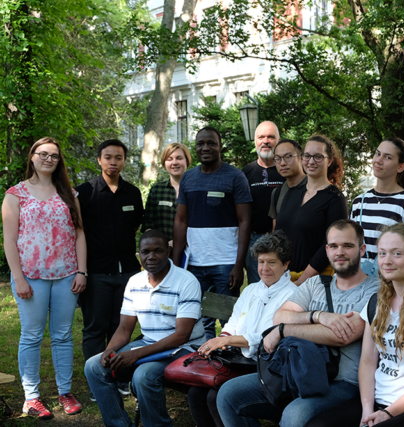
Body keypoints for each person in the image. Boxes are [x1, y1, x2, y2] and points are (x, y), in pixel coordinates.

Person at [216, 219, 379, 427]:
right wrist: (318, 316)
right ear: (327, 250)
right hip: (299, 371)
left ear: (362, 249)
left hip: (342, 382)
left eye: (348, 246)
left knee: (295, 415)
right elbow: (280, 316)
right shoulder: (315, 283)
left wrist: (283, 331)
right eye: (334, 246)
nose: (340, 252)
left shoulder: (374, 289)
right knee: (228, 395)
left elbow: (343, 335)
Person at [307, 222, 404, 427]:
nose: (387, 261)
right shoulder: (377, 303)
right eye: (382, 253)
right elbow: (368, 361)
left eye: (397, 253)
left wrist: (388, 413)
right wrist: (367, 410)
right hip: (378, 402)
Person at [2, 137, 87, 419]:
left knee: (63, 335)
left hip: (66, 276)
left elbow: (79, 234)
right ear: (32, 157)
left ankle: (65, 392)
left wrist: (81, 270)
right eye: (43, 154)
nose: (49, 159)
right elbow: (9, 240)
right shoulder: (15, 194)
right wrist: (19, 278)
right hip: (31, 276)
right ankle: (32, 398)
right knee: (32, 335)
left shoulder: (69, 194)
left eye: (54, 156)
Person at [84, 229, 206, 427]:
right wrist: (110, 350)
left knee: (143, 376)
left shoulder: (186, 281)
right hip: (149, 344)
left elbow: (181, 335)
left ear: (168, 251)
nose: (151, 256)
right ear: (138, 254)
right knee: (94, 366)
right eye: (145, 251)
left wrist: (137, 354)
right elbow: (124, 328)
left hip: (185, 349)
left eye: (158, 250)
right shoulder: (135, 282)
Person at [187, 230, 297, 426]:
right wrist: (221, 341)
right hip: (238, 359)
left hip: (266, 366)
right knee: (195, 393)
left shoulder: (293, 296)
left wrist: (226, 340)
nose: (264, 268)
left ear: (286, 264)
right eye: (261, 262)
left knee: (215, 395)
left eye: (271, 262)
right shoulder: (252, 289)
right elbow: (234, 321)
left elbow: (265, 336)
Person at [76, 139, 143, 396]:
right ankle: (98, 381)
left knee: (121, 327)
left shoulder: (132, 193)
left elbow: (135, 225)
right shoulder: (85, 192)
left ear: (124, 160)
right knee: (95, 328)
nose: (113, 162)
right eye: (108, 157)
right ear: (99, 160)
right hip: (96, 272)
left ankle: (118, 376)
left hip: (127, 272)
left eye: (118, 157)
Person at [173, 126, 252, 339]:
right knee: (198, 322)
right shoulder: (188, 178)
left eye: (211, 143)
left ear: (220, 146)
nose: (205, 148)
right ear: (195, 148)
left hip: (225, 264)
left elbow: (245, 221)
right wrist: (175, 262)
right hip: (195, 265)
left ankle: (229, 367)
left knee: (229, 319)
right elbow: (180, 221)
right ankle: (200, 365)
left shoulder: (235, 177)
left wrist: (238, 264)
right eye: (200, 144)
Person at [275, 135, 348, 285]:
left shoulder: (335, 199)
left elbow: (330, 245)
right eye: (307, 156)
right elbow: (279, 235)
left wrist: (302, 281)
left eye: (318, 157)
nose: (311, 161)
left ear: (330, 161)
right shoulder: (292, 192)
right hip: (283, 278)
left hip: (314, 282)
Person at [350, 137, 404, 276]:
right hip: (357, 282)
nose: (379, 160)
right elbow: (349, 243)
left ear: (400, 167)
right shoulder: (359, 201)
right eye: (377, 154)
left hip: (388, 282)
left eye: (387, 157)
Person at [242, 121, 284, 284]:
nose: (265, 141)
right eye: (261, 137)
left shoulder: (287, 171)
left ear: (278, 141)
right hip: (255, 241)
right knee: (257, 287)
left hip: (284, 239)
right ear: (255, 141)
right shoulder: (245, 173)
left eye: (271, 137)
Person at [143, 143, 192, 244]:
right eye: (169, 159)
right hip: (163, 251)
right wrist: (160, 243)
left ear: (187, 161)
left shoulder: (196, 190)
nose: (174, 162)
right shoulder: (157, 190)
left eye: (179, 158)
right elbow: (148, 224)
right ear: (164, 163)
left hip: (193, 249)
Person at [269, 139, 307, 228]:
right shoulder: (277, 193)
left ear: (301, 159)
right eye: (277, 159)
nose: (282, 163)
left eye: (288, 157)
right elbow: (276, 230)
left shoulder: (317, 187)